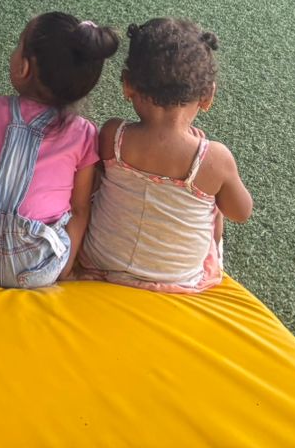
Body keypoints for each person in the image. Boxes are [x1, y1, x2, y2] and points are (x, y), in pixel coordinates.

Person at [0, 14, 118, 289]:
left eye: (18, 44)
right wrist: (65, 269)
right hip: (36, 268)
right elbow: (80, 210)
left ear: (24, 67)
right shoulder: (83, 134)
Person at [78, 18, 253, 292]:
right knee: (215, 204)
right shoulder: (214, 159)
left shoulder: (113, 135)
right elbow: (241, 212)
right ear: (208, 96)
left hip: (100, 264)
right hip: (178, 281)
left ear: (127, 85)